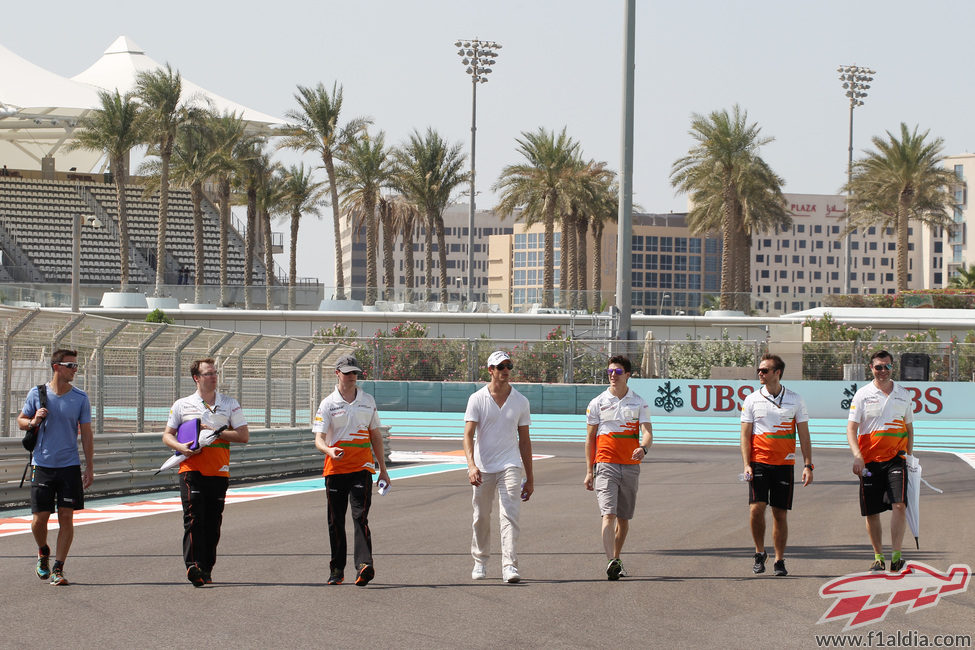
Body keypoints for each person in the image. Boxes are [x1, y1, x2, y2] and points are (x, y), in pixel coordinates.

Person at [162, 358, 249, 586]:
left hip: (219, 471)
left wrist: (216, 432)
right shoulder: (182, 404)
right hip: (191, 469)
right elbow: (167, 435)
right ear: (196, 378)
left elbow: (243, 436)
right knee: (193, 518)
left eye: (214, 373)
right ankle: (193, 566)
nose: (213, 377)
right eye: (208, 373)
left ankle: (206, 567)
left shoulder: (230, 403)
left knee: (213, 522)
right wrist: (180, 447)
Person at [17, 349, 93, 586]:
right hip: (42, 465)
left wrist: (89, 466)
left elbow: (87, 434)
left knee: (66, 517)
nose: (75, 370)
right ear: (56, 367)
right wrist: (33, 420)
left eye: (76, 366)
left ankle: (58, 568)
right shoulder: (37, 394)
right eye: (71, 366)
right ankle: (43, 551)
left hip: (69, 466)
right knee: (39, 520)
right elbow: (21, 421)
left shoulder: (80, 398)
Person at [313, 354, 390, 586]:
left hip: (362, 468)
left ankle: (364, 565)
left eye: (355, 372)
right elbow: (318, 438)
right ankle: (337, 569)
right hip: (335, 470)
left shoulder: (368, 401)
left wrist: (383, 469)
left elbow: (375, 435)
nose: (352, 376)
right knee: (335, 521)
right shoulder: (328, 403)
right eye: (347, 372)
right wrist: (328, 450)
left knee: (360, 517)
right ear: (337, 373)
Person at [740, 353, 813, 577]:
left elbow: (804, 434)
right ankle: (759, 552)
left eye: (764, 370)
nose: (760, 374)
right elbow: (745, 435)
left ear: (777, 373)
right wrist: (746, 464)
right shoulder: (752, 399)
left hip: (784, 464)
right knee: (756, 508)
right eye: (759, 371)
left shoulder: (795, 399)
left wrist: (808, 465)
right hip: (759, 462)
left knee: (780, 514)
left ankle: (779, 560)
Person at [464, 350, 534, 583]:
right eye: (500, 366)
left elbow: (524, 441)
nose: (505, 370)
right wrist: (472, 466)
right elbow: (468, 435)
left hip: (510, 465)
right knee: (481, 516)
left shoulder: (521, 401)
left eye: (508, 366)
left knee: (510, 515)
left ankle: (509, 565)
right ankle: (480, 561)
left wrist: (530, 477)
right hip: (483, 467)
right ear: (490, 370)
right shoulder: (477, 399)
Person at [584, 355, 652, 580]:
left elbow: (648, 432)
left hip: (631, 467)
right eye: (610, 372)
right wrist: (588, 470)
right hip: (606, 464)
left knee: (624, 518)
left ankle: (617, 557)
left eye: (618, 372)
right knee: (608, 514)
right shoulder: (597, 402)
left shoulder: (639, 401)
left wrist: (643, 448)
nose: (613, 375)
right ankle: (610, 561)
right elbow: (590, 438)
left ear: (628, 375)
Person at [846, 350, 914, 573]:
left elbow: (909, 428)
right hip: (870, 462)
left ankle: (896, 557)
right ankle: (878, 557)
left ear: (892, 367)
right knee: (872, 512)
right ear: (871, 368)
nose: (883, 371)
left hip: (896, 459)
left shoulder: (904, 394)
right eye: (878, 367)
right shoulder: (862, 395)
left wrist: (909, 457)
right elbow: (851, 429)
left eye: (887, 366)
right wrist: (858, 456)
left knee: (899, 505)